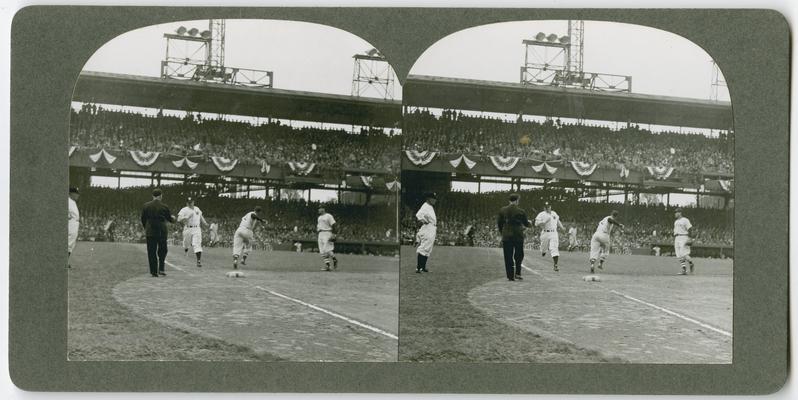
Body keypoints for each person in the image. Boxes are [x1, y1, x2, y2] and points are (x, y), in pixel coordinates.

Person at [140, 188, 176, 277]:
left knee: (151, 251)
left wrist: (146, 227)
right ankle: (161, 269)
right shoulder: (164, 206)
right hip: (161, 231)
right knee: (163, 250)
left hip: (150, 231)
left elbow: (143, 219)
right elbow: (169, 219)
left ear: (152, 196)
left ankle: (153, 271)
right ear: (160, 196)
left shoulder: (146, 205)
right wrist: (173, 218)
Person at [497, 193, 532, 281]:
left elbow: (499, 224)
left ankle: (510, 276)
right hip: (518, 235)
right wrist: (530, 223)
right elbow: (526, 224)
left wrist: (503, 232)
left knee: (508, 256)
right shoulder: (521, 211)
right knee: (519, 255)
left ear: (509, 200)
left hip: (507, 236)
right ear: (516, 201)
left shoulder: (502, 210)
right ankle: (518, 273)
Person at [177, 197, 208, 267]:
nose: (190, 203)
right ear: (187, 203)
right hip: (188, 228)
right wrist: (186, 217)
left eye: (191, 202)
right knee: (186, 243)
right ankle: (186, 250)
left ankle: (198, 261)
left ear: (193, 202)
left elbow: (201, 216)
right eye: (189, 202)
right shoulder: (184, 210)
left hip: (197, 228)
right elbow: (178, 219)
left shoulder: (197, 209)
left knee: (197, 244)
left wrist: (205, 223)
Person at [535, 202, 565, 272]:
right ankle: (543, 251)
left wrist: (562, 228)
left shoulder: (554, 213)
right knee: (543, 247)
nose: (548, 208)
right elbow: (536, 223)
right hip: (545, 232)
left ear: (550, 206)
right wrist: (544, 222)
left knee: (554, 248)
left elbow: (557, 221)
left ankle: (555, 265)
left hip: (554, 233)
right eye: (546, 207)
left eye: (549, 206)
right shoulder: (541, 214)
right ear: (544, 208)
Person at [414, 192, 437, 273]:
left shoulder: (429, 206)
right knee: (424, 247)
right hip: (428, 227)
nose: (435, 200)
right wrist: (424, 221)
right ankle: (418, 267)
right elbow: (418, 215)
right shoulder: (425, 206)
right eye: (433, 199)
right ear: (429, 199)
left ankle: (423, 267)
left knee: (428, 248)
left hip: (432, 227)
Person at [673, 208, 695, 275]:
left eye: (676, 212)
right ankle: (684, 269)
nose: (675, 214)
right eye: (675, 212)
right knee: (678, 254)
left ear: (680, 213)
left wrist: (690, 238)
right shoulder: (676, 222)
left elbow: (690, 229)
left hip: (684, 237)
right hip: (677, 237)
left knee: (684, 254)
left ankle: (691, 263)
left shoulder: (685, 220)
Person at [317, 207, 338, 271]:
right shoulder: (319, 217)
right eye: (318, 209)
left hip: (327, 233)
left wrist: (334, 234)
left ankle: (334, 259)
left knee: (327, 249)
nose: (319, 210)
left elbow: (334, 225)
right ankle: (328, 266)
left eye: (320, 208)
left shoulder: (328, 216)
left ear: (323, 209)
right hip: (320, 233)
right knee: (322, 251)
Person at [67, 187, 80, 269]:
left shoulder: (72, 202)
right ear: (72, 193)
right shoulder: (68, 201)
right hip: (71, 222)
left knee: (71, 244)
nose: (78, 196)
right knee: (69, 243)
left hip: (74, 222)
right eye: (76, 194)